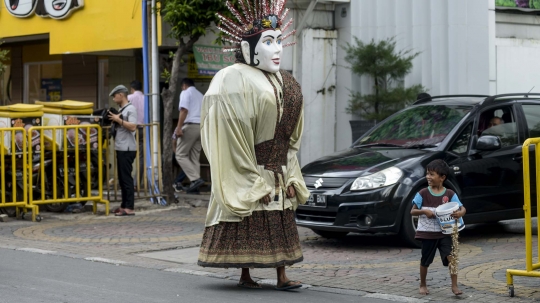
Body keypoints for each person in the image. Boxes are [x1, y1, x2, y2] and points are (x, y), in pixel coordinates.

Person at [197, 0, 309, 291]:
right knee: (247, 219)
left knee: (280, 221)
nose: (277, 49)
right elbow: (229, 136)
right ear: (248, 49)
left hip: (279, 168)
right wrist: (248, 177)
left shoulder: (288, 82)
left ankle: (281, 275)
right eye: (268, 41)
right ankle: (245, 273)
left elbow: (290, 138)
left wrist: (292, 173)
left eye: (279, 41)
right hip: (252, 164)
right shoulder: (230, 78)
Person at [410, 159, 466, 296]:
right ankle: (422, 284)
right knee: (425, 260)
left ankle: (454, 286)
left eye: (432, 174)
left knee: (451, 257)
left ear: (442, 178)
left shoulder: (450, 194)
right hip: (427, 233)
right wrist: (424, 211)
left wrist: (460, 213)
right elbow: (412, 211)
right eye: (427, 174)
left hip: (445, 233)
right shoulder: (423, 193)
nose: (428, 177)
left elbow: (462, 208)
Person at [108, 85, 138, 216]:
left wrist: (118, 120)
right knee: (122, 178)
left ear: (121, 95)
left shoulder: (130, 109)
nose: (114, 98)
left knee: (126, 179)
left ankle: (129, 207)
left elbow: (133, 127)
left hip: (127, 148)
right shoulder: (123, 109)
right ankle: (124, 205)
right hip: (121, 148)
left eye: (115, 95)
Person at [174, 78, 204, 192]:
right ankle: (195, 188)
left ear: (184, 85)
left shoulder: (186, 92)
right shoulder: (201, 95)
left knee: (180, 155)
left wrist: (179, 127)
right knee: (194, 157)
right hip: (201, 127)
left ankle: (195, 179)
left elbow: (184, 110)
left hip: (190, 125)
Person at [128, 80, 145, 190]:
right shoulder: (146, 98)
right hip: (144, 128)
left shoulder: (129, 98)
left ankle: (127, 182)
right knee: (141, 157)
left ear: (132, 88)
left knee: (126, 155)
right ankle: (136, 183)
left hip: (130, 129)